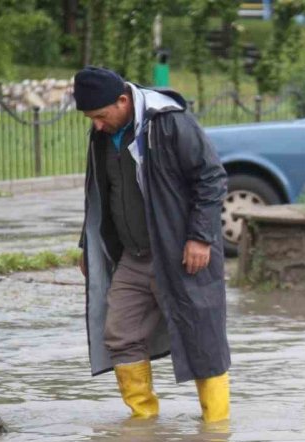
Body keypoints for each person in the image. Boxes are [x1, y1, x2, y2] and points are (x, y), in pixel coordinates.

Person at [73, 66, 230, 421]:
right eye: (90, 118)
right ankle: (143, 426)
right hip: (134, 255)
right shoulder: (103, 135)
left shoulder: (170, 123)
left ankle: (216, 437)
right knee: (119, 334)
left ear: (123, 101)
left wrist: (200, 237)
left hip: (182, 253)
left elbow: (212, 178)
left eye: (100, 115)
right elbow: (100, 194)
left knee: (201, 340)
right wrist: (89, 244)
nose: (96, 124)